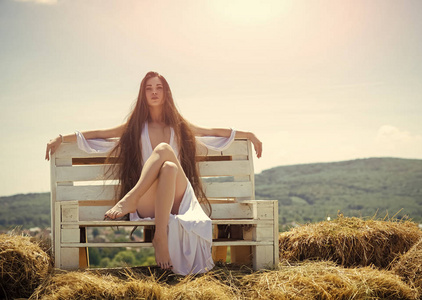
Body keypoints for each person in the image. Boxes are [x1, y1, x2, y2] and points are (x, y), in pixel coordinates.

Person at [45, 71, 262, 274]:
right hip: (150, 197)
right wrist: (62, 138)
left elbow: (213, 131)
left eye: (159, 87)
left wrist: (250, 134)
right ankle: (157, 233)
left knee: (166, 155)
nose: (154, 92)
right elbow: (100, 133)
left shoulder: (179, 125)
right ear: (143, 94)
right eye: (149, 88)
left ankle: (137, 206)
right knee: (167, 165)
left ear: (166, 92)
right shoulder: (135, 127)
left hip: (179, 199)